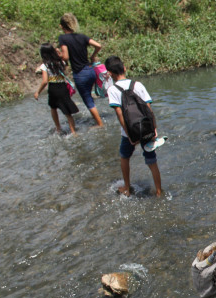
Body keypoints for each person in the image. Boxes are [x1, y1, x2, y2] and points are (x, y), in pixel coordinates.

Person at [105, 55, 164, 197]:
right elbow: (149, 109)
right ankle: (158, 191)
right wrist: (154, 129)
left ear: (109, 73)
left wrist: (130, 136)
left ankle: (127, 188)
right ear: (124, 68)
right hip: (146, 128)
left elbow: (120, 115)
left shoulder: (113, 90)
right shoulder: (138, 85)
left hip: (129, 133)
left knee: (124, 157)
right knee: (152, 160)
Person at [58, 12, 104, 127]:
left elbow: (66, 57)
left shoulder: (63, 38)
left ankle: (100, 124)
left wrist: (58, 55)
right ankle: (97, 119)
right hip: (90, 71)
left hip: (80, 74)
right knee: (90, 97)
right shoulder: (82, 36)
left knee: (88, 100)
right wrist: (93, 56)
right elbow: (98, 45)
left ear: (61, 26)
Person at [34, 43, 78, 135]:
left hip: (53, 89)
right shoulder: (60, 62)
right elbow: (65, 62)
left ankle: (58, 128)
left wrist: (38, 92)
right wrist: (58, 52)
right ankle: (73, 132)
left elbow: (45, 81)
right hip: (63, 87)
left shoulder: (44, 66)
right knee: (67, 112)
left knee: (53, 107)